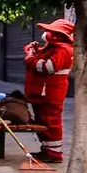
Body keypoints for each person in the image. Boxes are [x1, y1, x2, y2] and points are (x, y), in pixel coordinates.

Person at [24, 19, 74, 164]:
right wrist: (33, 51)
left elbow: (48, 67)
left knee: (51, 121)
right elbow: (41, 58)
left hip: (50, 93)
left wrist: (30, 58)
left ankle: (54, 153)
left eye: (52, 32)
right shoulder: (53, 47)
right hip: (43, 92)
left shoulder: (63, 49)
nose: (48, 34)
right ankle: (46, 150)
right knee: (43, 121)